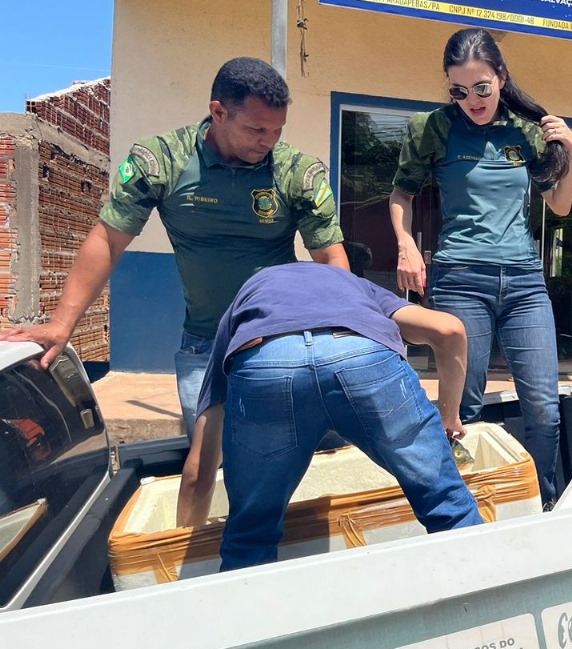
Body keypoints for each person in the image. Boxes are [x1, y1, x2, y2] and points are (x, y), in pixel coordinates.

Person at [0, 57, 348, 436]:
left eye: (278, 130)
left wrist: (345, 331)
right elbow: (108, 238)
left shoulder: (296, 171)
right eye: (257, 129)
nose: (269, 141)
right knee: (205, 461)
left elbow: (330, 255)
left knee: (282, 455)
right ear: (218, 112)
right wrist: (62, 325)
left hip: (281, 340)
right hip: (205, 344)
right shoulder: (162, 161)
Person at [177, 262, 483, 571]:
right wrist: (449, 416)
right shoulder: (357, 287)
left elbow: (198, 473)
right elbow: (449, 330)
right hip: (360, 351)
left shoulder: (243, 305)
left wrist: (182, 563)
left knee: (250, 535)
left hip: (266, 360)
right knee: (448, 504)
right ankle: (486, 601)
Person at [388, 28, 572, 505]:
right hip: (460, 279)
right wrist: (406, 245)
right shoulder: (432, 128)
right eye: (459, 90)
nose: (471, 99)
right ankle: (465, 503)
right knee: (463, 405)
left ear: (501, 79)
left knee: (544, 407)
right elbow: (402, 194)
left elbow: (558, 205)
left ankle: (540, 503)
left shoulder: (525, 132)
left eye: (481, 88)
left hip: (524, 283)